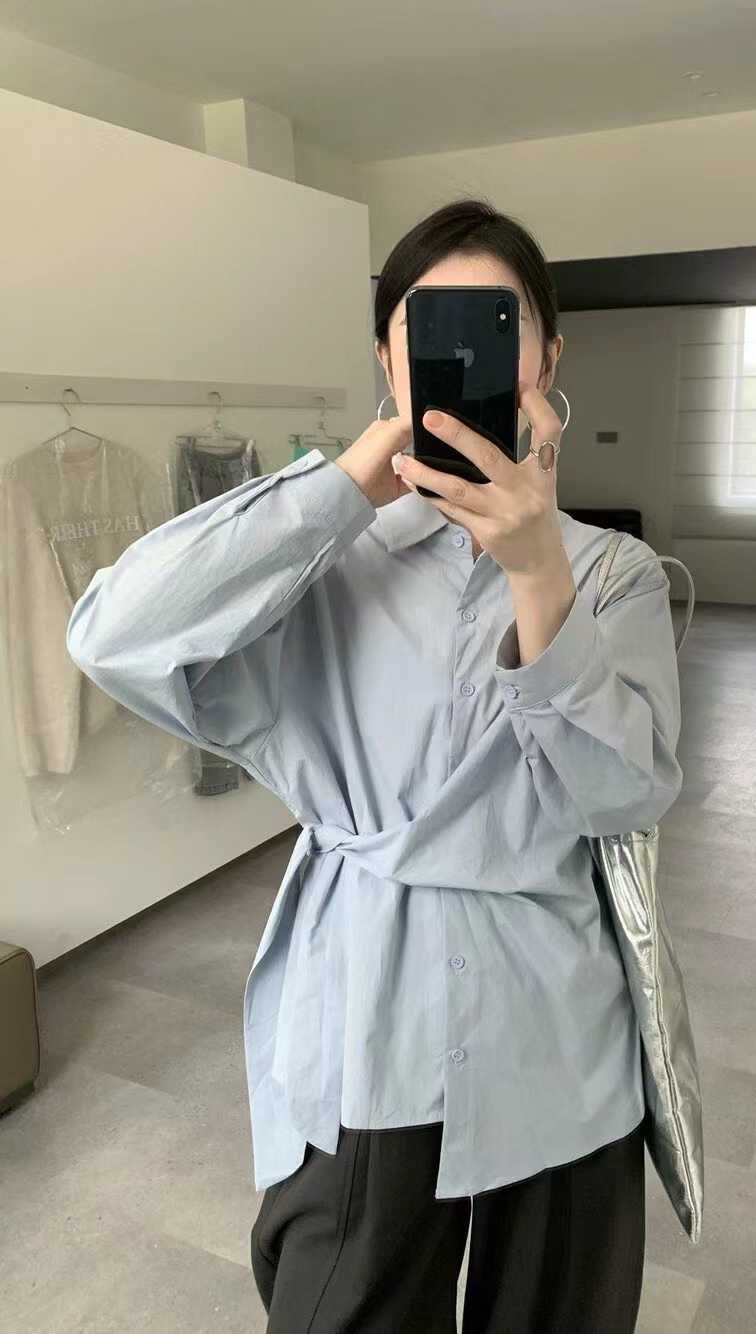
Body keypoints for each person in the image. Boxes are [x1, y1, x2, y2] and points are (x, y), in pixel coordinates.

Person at [65, 197, 684, 1332]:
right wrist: (348, 481)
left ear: (548, 355)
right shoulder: (317, 560)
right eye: (427, 327)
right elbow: (110, 635)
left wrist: (536, 573)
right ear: (386, 358)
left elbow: (624, 797)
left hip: (555, 1030)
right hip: (364, 1018)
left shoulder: (611, 574)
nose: (462, 353)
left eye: (497, 324)